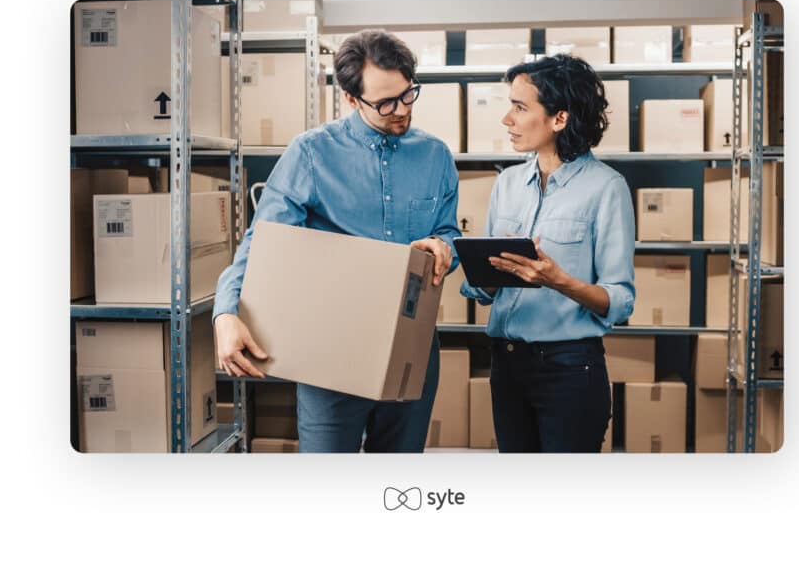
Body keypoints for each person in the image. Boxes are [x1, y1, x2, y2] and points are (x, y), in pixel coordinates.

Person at [212, 30, 461, 452]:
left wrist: (445, 248)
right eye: (384, 103)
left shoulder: (436, 156)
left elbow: (447, 232)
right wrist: (225, 313)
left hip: (412, 346)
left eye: (407, 95)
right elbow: (263, 243)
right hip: (331, 351)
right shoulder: (311, 154)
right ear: (350, 98)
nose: (401, 111)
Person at [460, 54, 636, 453]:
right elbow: (485, 292)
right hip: (506, 366)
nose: (508, 119)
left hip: (569, 371)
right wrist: (486, 273)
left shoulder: (606, 189)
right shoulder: (507, 183)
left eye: (520, 108)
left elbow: (621, 301)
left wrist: (557, 280)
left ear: (559, 118)